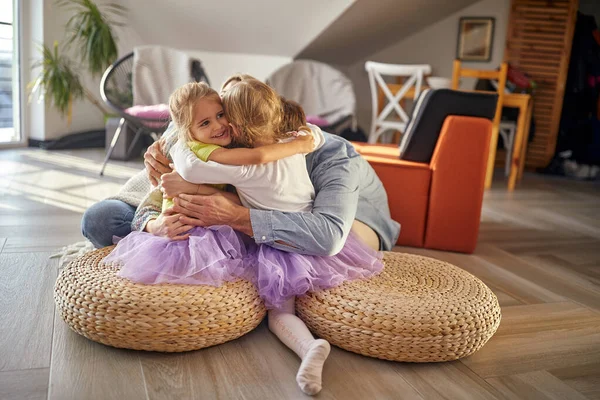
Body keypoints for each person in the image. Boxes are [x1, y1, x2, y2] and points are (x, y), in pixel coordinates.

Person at [103, 82, 315, 285]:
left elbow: (250, 196)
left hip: (220, 226)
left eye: (221, 115)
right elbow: (159, 192)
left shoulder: (238, 144)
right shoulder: (194, 152)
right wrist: (153, 226)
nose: (219, 125)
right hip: (184, 227)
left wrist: (195, 189)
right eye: (205, 123)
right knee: (102, 219)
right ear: (187, 132)